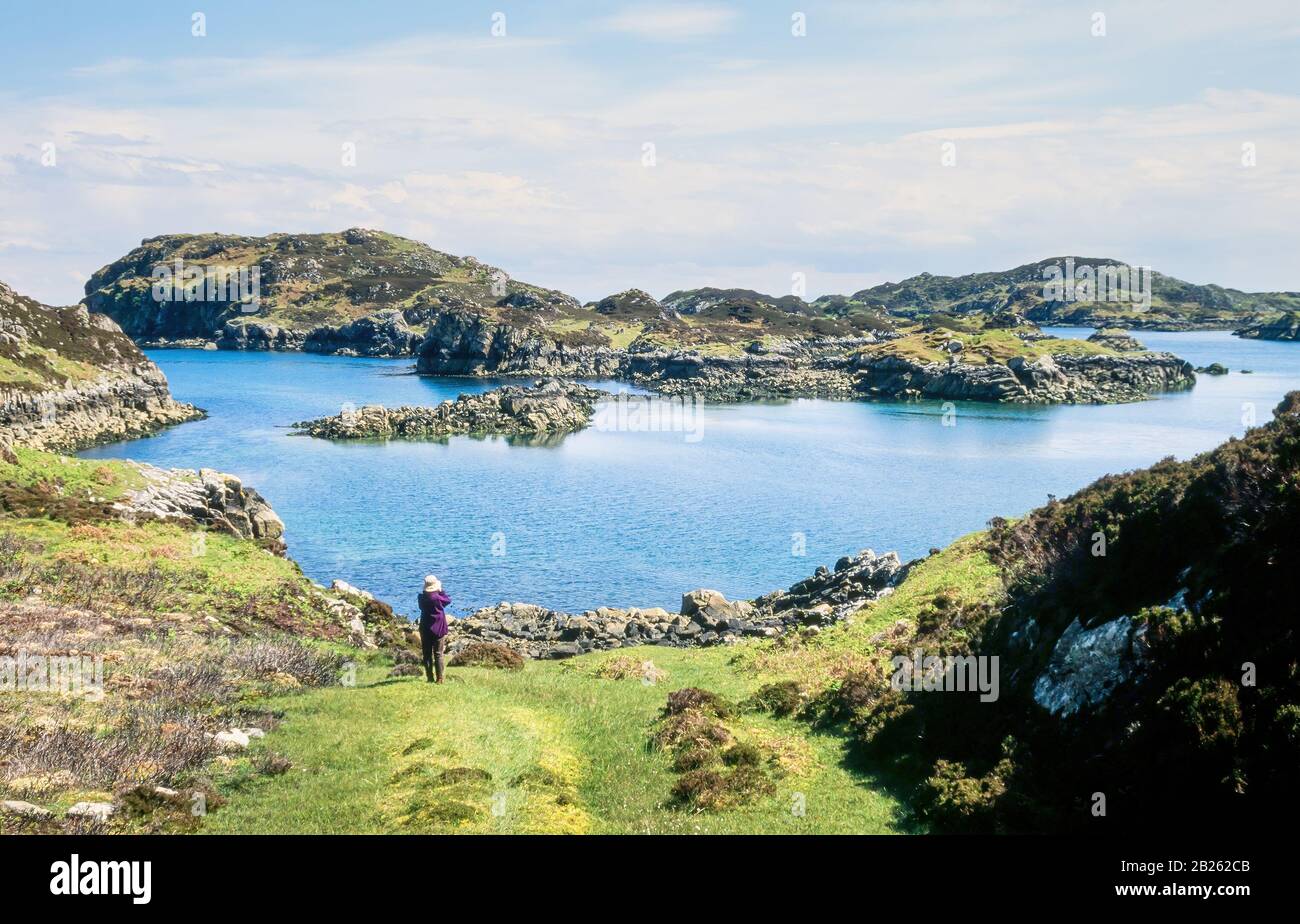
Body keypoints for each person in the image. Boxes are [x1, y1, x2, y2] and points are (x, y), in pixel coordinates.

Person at [417, 574, 451, 683]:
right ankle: (440, 678)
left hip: (425, 627)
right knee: (438, 654)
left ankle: (429, 677)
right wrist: (441, 591)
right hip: (438, 628)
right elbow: (448, 600)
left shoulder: (421, 598)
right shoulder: (438, 598)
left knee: (427, 654)